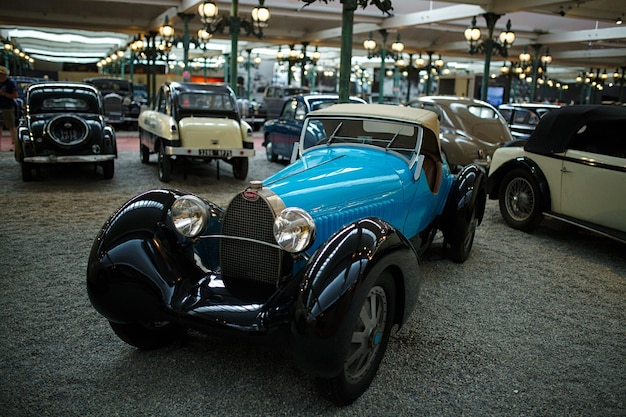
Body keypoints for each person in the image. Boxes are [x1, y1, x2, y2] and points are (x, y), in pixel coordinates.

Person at [0, 66, 18, 151]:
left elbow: (15, 95)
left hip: (7, 107)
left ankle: (14, 145)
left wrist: (3, 94)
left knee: (11, 126)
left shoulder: (10, 83)